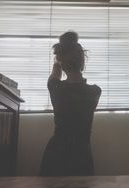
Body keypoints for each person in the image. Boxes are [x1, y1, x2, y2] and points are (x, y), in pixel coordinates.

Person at [39, 31, 101, 176]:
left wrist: (59, 62)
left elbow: (55, 73)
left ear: (62, 62)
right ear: (82, 62)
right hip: (82, 156)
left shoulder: (55, 87)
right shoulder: (95, 92)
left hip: (55, 154)